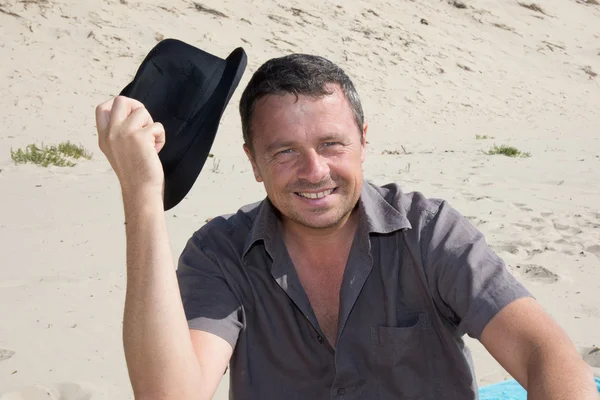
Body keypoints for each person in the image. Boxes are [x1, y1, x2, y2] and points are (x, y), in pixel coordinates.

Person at [95, 54, 598, 399]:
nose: (314, 172)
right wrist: (142, 192)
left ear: (363, 140)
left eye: (331, 144)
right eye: (285, 151)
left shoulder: (428, 232)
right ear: (253, 162)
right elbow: (170, 394)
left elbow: (546, 353)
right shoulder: (221, 254)